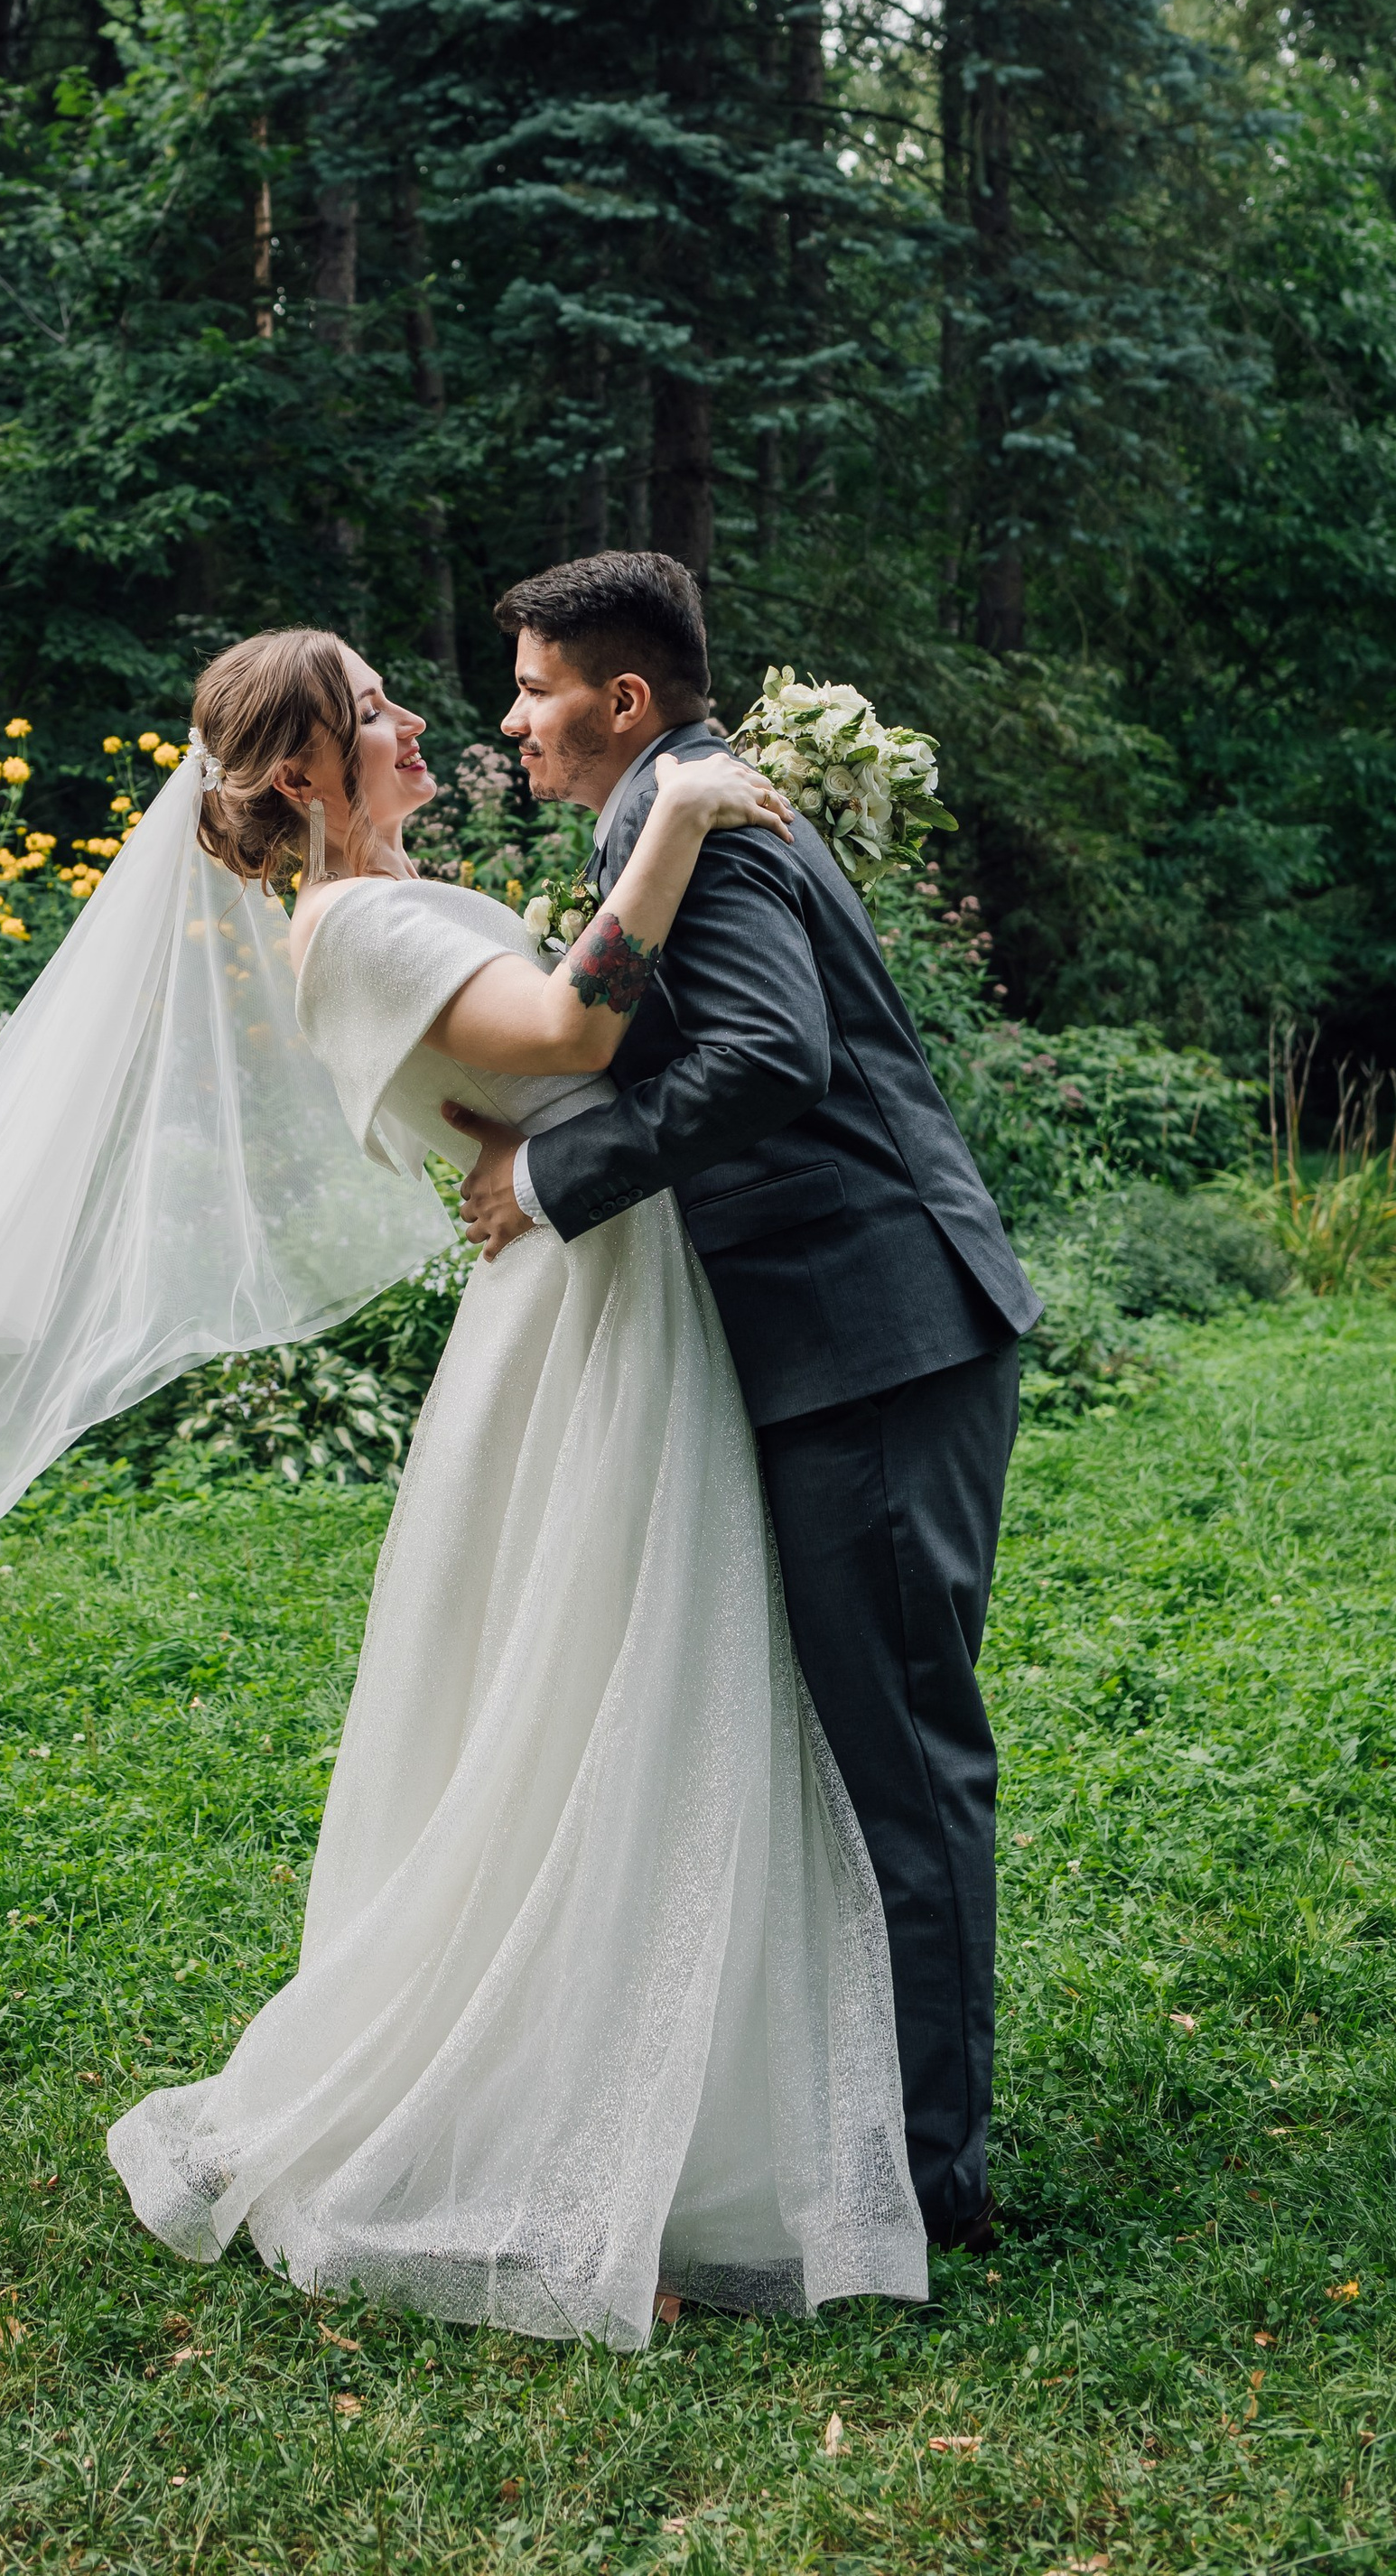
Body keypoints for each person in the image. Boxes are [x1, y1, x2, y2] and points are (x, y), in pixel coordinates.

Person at [108, 628, 927, 2349]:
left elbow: (565, 1074)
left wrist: (549, 1135)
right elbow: (570, 1024)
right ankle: (541, 2152)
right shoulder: (353, 923)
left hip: (615, 1300)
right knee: (593, 1715)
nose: (412, 722)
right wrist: (685, 812)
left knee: (626, 1707)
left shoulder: (403, 898)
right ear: (303, 777)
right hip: (584, 1333)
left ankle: (661, 2125)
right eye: (372, 711)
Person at [439, 553, 1040, 2254]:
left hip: (876, 1335)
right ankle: (868, 2126)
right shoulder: (667, 808)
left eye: (538, 686)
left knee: (905, 1763)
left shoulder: (695, 815)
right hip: (850, 1332)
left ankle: (928, 2185)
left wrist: (560, 1177)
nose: (512, 715)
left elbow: (776, 1058)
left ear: (624, 701)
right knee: (864, 1753)